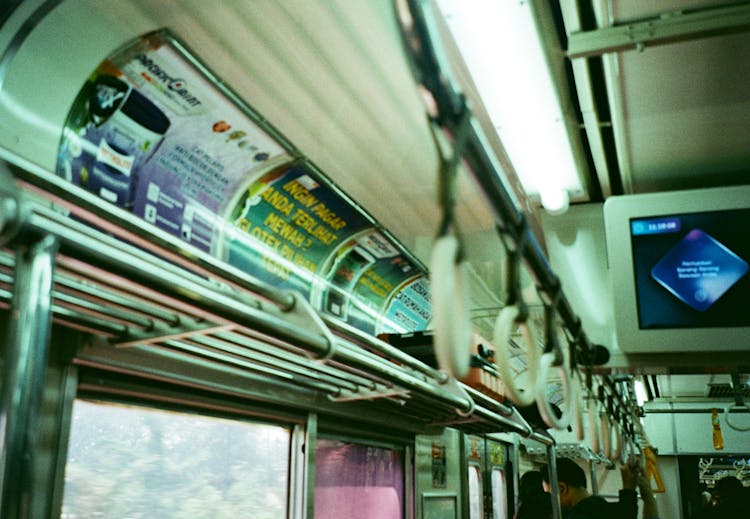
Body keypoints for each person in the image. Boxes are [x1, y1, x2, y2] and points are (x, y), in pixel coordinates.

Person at [542, 457, 657, 519]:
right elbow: (625, 512)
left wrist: (629, 489)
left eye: (549, 494)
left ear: (562, 489)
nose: (549, 502)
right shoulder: (602, 507)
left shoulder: (578, 516)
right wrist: (631, 490)